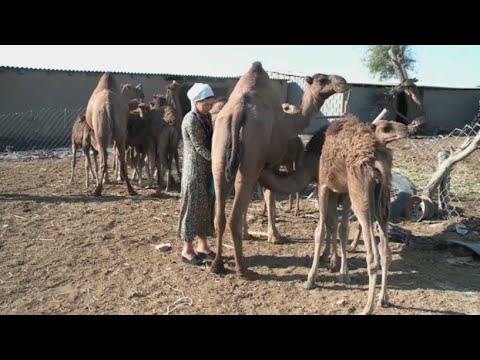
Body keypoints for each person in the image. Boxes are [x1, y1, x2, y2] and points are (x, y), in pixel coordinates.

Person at [176, 83, 216, 266]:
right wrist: (217, 160)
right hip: (194, 171)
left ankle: (203, 246)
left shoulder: (206, 117)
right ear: (195, 102)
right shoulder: (190, 120)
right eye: (206, 103)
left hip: (207, 171)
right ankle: (187, 250)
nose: (209, 106)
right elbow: (199, 146)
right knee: (191, 210)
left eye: (210, 102)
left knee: (206, 208)